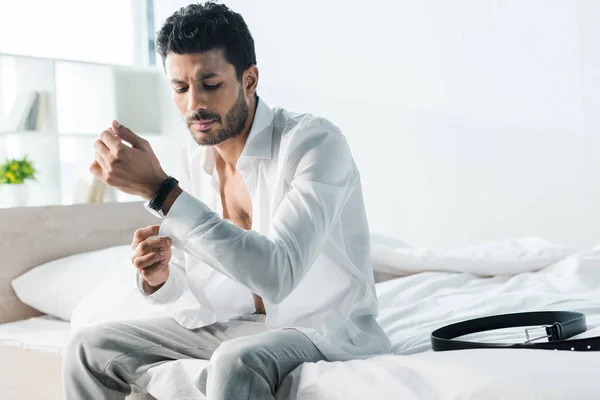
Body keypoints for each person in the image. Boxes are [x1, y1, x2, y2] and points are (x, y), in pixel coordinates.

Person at [61, 2, 390, 399]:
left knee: (235, 360)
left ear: (249, 79)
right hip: (243, 324)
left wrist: (162, 192)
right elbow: (193, 292)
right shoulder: (194, 159)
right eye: (180, 88)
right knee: (89, 347)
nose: (193, 104)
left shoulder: (315, 144)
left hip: (322, 329)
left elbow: (278, 274)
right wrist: (159, 277)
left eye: (210, 84)